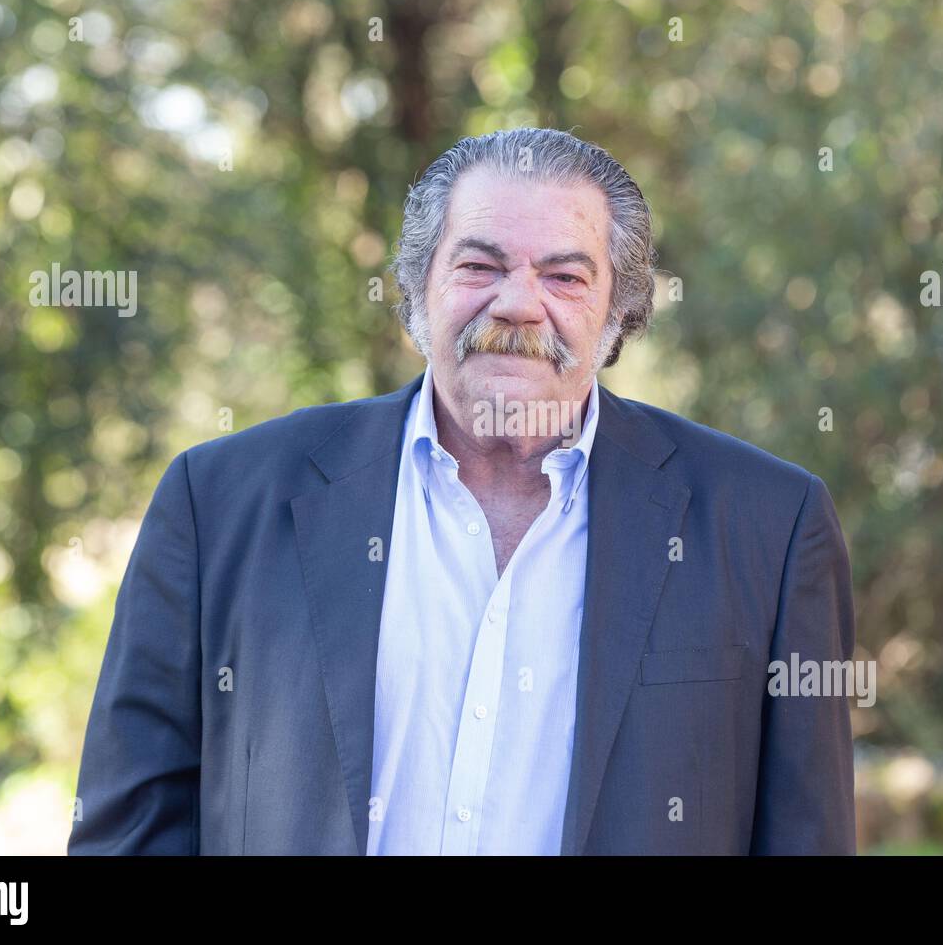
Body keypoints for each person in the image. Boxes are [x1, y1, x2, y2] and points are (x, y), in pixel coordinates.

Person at [68, 127, 856, 855]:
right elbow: (130, 830)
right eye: (479, 265)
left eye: (565, 275)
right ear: (418, 289)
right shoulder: (220, 503)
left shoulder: (768, 528)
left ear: (619, 313)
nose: (517, 303)